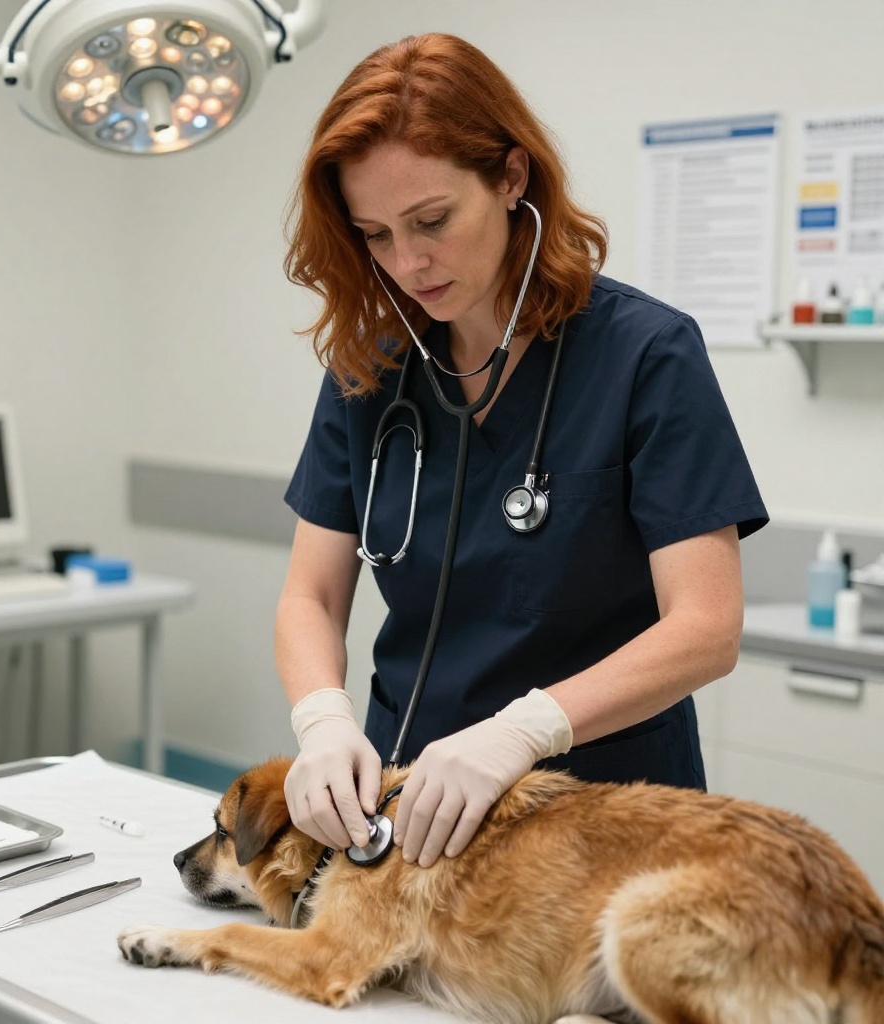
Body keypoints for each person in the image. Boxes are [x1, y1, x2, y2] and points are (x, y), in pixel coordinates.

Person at [275, 32, 768, 871]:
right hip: (412, 808)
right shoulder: (372, 369)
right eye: (375, 234)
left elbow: (706, 628)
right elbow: (312, 596)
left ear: (511, 177)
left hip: (603, 813)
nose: (409, 262)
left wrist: (524, 730)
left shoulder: (644, 355)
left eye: (432, 221)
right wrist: (322, 718)